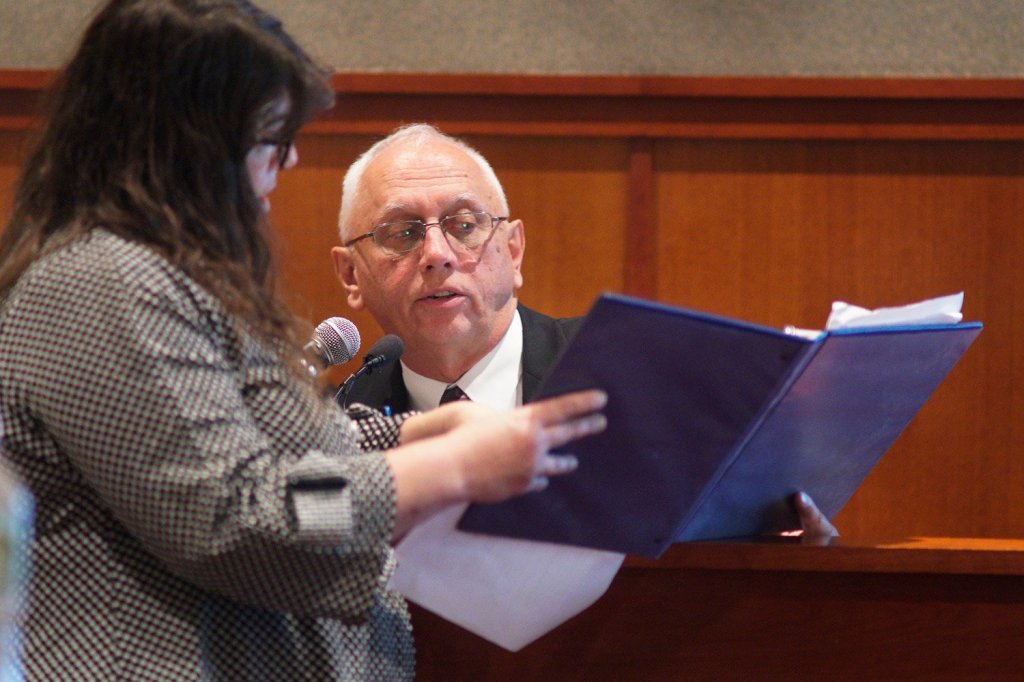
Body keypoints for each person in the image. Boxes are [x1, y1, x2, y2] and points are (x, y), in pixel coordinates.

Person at [0, 2, 607, 679]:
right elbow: (234, 518)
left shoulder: (160, 275)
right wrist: (454, 469)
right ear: (185, 141)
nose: (287, 158)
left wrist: (405, 436)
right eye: (268, 134)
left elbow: (254, 449)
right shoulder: (99, 283)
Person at [331, 123, 837, 540]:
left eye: (464, 225)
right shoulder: (330, 428)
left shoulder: (633, 379)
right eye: (402, 234)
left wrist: (786, 548)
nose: (438, 254)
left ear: (512, 251)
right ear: (352, 275)